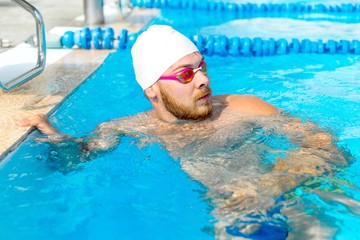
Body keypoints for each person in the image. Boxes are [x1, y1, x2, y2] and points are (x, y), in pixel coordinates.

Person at [17, 25, 350, 238]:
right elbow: (75, 161)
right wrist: (55, 135)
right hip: (232, 220)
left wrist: (272, 182)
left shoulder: (244, 108)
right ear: (152, 90)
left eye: (201, 66)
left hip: (291, 198)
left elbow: (325, 144)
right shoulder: (125, 128)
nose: (203, 78)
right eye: (185, 75)